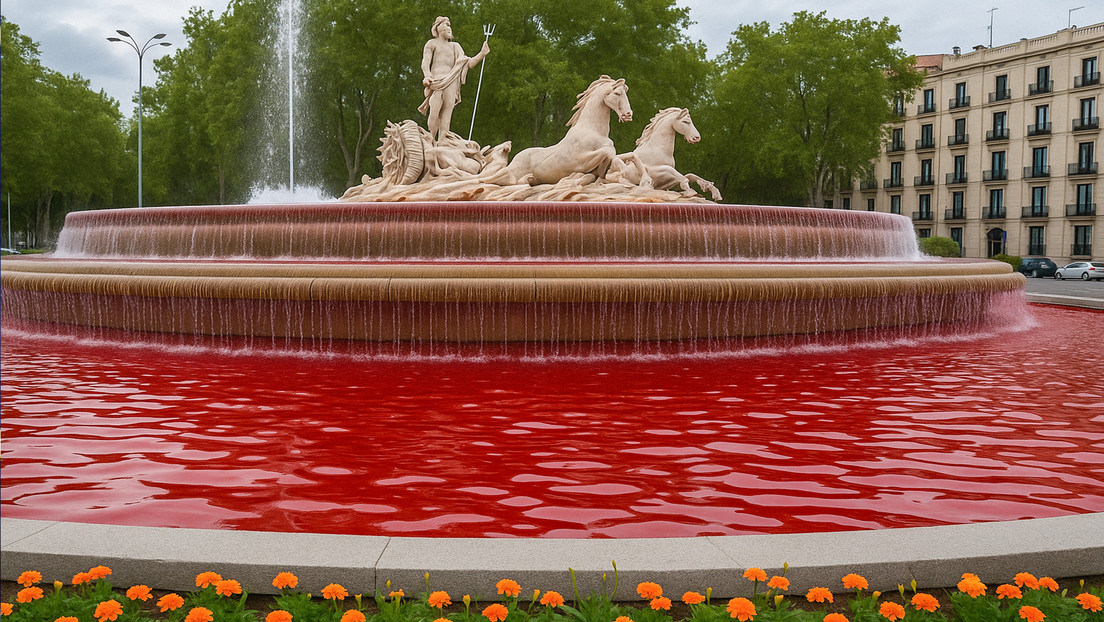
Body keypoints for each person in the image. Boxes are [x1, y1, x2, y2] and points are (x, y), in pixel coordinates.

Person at [418, 16, 490, 142]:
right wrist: (427, 75)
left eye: (449, 25)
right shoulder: (431, 44)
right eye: (446, 24)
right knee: (434, 110)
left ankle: (442, 141)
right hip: (437, 82)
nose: (449, 28)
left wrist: (482, 54)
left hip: (451, 83)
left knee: (447, 113)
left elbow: (469, 63)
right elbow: (425, 62)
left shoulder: (455, 46)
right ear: (438, 27)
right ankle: (431, 139)